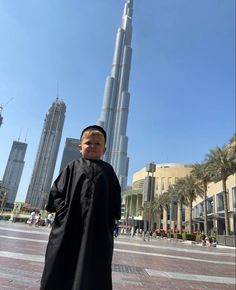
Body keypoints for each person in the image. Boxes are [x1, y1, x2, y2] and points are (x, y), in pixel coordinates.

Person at [40, 125, 121, 290]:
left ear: (104, 150)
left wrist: (110, 219)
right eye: (89, 142)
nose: (93, 146)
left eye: (97, 144)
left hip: (97, 230)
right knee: (60, 262)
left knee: (94, 266)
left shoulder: (109, 171)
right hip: (68, 226)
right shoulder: (72, 167)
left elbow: (115, 200)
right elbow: (56, 194)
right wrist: (63, 211)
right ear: (80, 147)